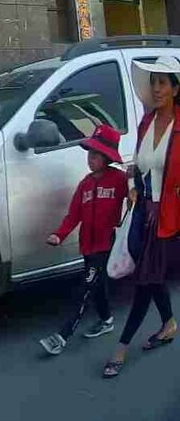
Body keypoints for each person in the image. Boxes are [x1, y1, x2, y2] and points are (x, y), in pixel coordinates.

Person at [103, 56, 180, 378]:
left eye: (163, 82)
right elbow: (137, 164)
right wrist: (134, 186)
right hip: (143, 213)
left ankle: (120, 347)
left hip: (169, 218)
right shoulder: (146, 122)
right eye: (153, 82)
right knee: (151, 273)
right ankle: (170, 323)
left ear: (176, 88)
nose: (156, 88)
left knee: (146, 281)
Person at [39, 125, 129, 355]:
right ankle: (107, 319)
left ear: (107, 157)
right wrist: (59, 235)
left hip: (106, 245)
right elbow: (73, 215)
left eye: (97, 155)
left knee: (85, 289)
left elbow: (134, 194)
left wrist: (135, 176)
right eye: (90, 154)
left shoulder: (118, 179)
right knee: (96, 287)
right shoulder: (85, 185)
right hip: (87, 247)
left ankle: (62, 336)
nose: (91, 159)